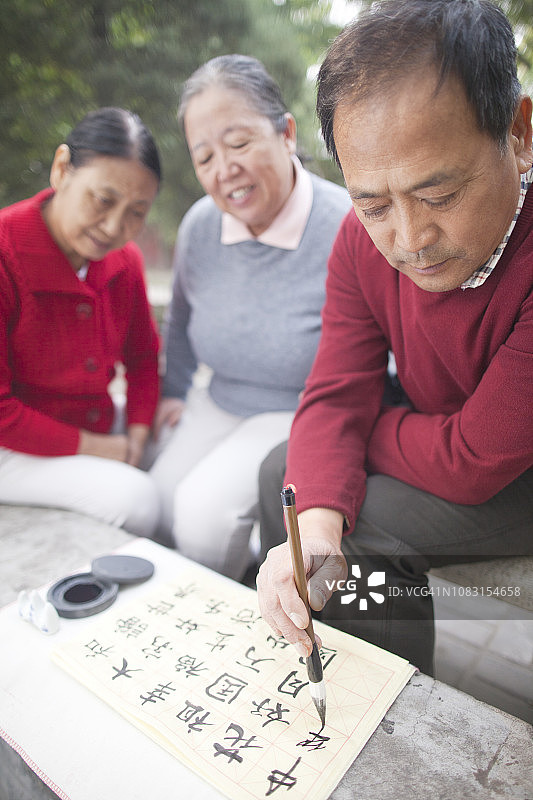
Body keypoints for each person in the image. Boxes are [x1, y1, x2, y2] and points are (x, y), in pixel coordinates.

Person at [256, 0, 533, 677]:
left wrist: (362, 435)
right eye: (373, 203)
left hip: (512, 465)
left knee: (362, 514)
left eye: (437, 195)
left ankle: (389, 708)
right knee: (290, 489)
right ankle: (324, 670)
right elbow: (333, 389)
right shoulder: (359, 244)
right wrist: (319, 513)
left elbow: (473, 458)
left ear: (519, 133)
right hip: (441, 433)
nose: (409, 241)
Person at [149, 55, 351, 580]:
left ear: (285, 132)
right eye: (205, 157)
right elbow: (182, 320)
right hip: (219, 399)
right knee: (159, 495)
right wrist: (174, 391)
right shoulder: (200, 226)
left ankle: (230, 610)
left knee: (202, 516)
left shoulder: (347, 226)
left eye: (238, 144)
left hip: (301, 410)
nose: (224, 170)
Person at [0, 107, 162, 536]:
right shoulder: (4, 253)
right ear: (61, 169)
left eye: (137, 212)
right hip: (10, 443)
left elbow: (144, 359)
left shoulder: (124, 262)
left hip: (91, 421)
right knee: (139, 500)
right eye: (103, 200)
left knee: (177, 448)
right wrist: (100, 449)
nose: (114, 227)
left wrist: (139, 436)